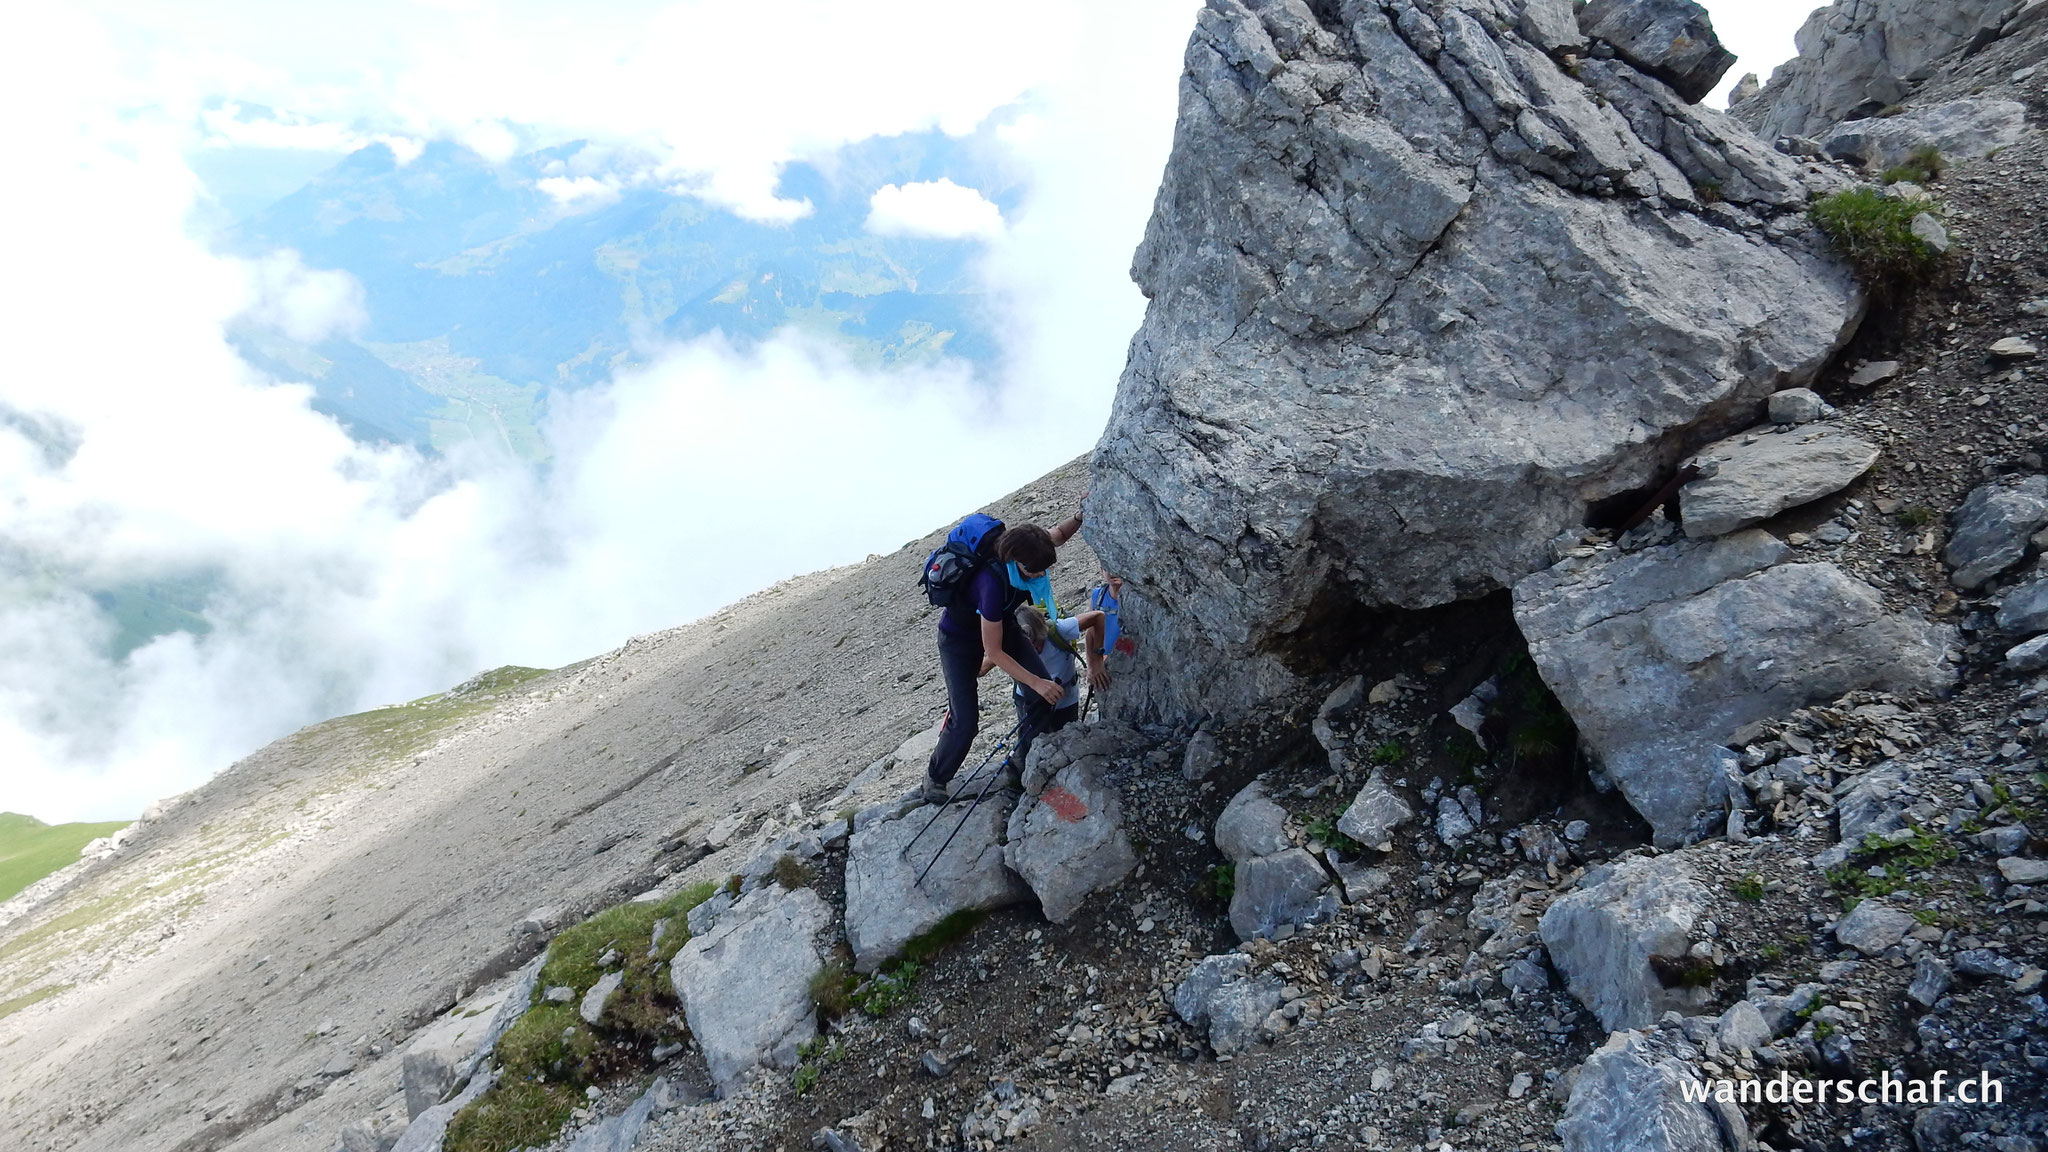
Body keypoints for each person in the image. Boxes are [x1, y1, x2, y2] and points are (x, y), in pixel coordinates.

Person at [922, 509, 1084, 803]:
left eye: (1043, 570)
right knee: (966, 719)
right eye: (1034, 572)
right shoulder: (991, 585)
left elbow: (1057, 535)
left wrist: (1080, 514)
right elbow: (993, 651)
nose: (1040, 576)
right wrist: (1036, 682)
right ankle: (936, 777)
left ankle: (1023, 763)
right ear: (1016, 562)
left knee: (1041, 699)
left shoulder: (1029, 546)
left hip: (1004, 625)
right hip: (958, 640)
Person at [1006, 602, 1108, 769]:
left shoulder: (1058, 629)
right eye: (1029, 648)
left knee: (1067, 741)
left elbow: (1098, 617)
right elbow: (989, 660)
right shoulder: (1011, 642)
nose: (1036, 650)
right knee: (1030, 742)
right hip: (1028, 699)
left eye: (1038, 643)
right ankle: (1024, 778)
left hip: (1065, 699)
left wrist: (1096, 661)